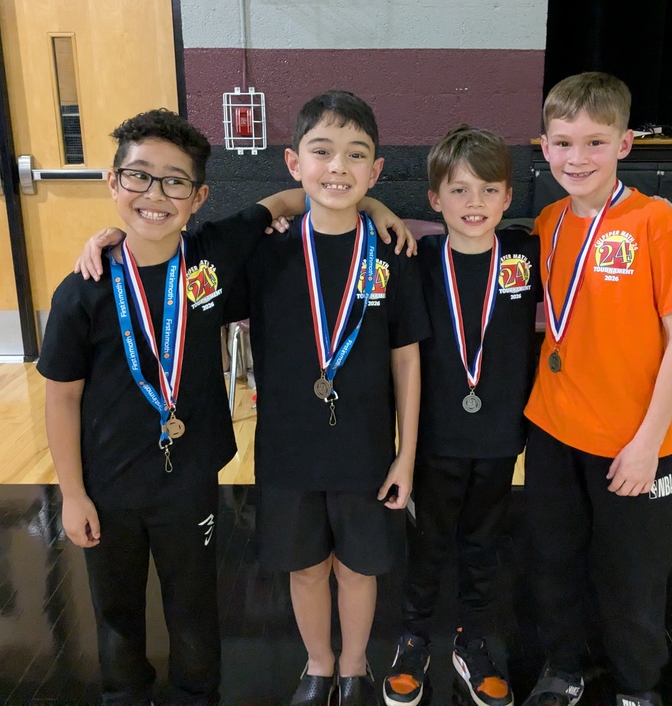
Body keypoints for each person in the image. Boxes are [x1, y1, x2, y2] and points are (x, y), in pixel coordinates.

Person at [39, 108, 407, 706]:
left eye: (174, 182)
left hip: (190, 473)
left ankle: (198, 695)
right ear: (112, 182)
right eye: (138, 177)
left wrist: (377, 208)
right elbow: (60, 395)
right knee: (117, 609)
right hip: (107, 480)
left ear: (199, 196)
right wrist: (72, 493)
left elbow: (301, 195)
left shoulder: (211, 255)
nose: (155, 194)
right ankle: (124, 694)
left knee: (193, 603)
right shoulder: (85, 287)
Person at [241, 90, 430, 706]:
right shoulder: (265, 251)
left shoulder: (393, 253)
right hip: (289, 447)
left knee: (358, 567)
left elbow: (407, 359)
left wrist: (405, 456)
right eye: (322, 152)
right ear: (294, 162)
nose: (338, 167)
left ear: (376, 170)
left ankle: (353, 666)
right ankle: (318, 664)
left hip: (365, 447)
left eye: (356, 155)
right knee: (305, 567)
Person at [520, 72, 672, 706]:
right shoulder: (548, 221)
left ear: (624, 144)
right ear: (545, 146)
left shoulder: (656, 222)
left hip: (631, 439)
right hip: (552, 428)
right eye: (564, 143)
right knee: (553, 561)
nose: (578, 158)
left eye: (595, 142)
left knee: (633, 574)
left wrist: (648, 442)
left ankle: (636, 686)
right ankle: (563, 667)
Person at [381, 126, 540, 706]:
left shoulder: (525, 255)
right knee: (427, 543)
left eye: (489, 190)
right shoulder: (416, 258)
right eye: (459, 190)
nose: (475, 203)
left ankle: (472, 640)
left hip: (500, 434)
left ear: (507, 197)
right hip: (435, 435)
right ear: (434, 198)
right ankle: (413, 638)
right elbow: (347, 217)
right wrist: (376, 206)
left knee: (483, 544)